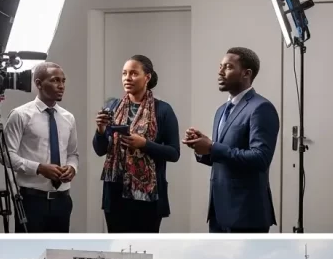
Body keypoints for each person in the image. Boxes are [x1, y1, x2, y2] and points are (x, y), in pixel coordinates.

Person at [183, 47, 279, 233]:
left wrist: (212, 147)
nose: (220, 72)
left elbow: (260, 158)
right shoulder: (221, 110)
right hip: (218, 212)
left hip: (246, 214)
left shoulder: (261, 108)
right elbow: (222, 156)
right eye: (220, 66)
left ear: (246, 73)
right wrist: (201, 148)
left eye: (227, 67)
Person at [93, 55, 180, 233]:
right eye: (124, 73)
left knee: (146, 241)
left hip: (148, 196)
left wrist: (145, 144)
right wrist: (100, 130)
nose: (127, 78)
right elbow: (100, 150)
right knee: (117, 240)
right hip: (115, 193)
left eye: (133, 73)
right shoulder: (113, 107)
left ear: (147, 77)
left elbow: (174, 153)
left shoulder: (163, 110)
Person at [3, 62, 79, 233]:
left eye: (63, 81)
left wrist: (72, 168)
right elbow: (6, 155)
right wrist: (39, 168)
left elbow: (73, 154)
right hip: (32, 200)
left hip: (62, 200)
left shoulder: (68, 118)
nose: (61, 86)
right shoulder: (20, 115)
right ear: (38, 83)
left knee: (59, 244)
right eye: (55, 80)